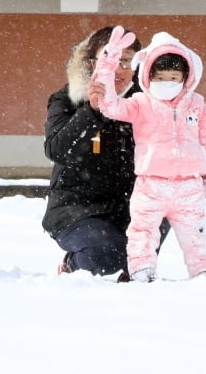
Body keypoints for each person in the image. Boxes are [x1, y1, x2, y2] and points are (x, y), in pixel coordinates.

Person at [93, 27, 206, 282]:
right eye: (160, 78)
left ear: (186, 77)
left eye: (174, 77)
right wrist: (107, 64)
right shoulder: (140, 103)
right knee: (142, 232)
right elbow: (109, 105)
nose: (167, 84)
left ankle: (204, 275)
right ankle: (141, 272)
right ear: (149, 77)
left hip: (189, 188)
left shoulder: (197, 105)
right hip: (151, 185)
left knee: (196, 236)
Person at [42, 26, 170, 282]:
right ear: (92, 63)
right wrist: (92, 111)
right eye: (111, 58)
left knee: (165, 206)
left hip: (127, 206)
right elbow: (56, 149)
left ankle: (134, 271)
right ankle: (73, 263)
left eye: (127, 61)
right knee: (105, 252)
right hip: (76, 210)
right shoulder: (67, 100)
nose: (119, 68)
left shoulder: (145, 104)